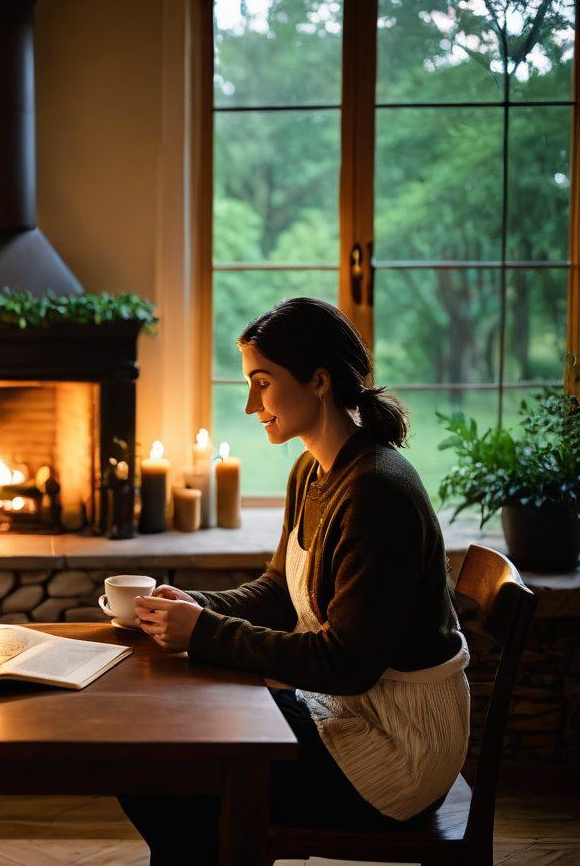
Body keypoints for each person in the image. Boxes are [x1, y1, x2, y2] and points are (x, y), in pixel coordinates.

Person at [124, 297, 469, 865]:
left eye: (262, 382)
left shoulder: (376, 493)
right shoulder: (312, 468)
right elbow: (280, 592)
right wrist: (192, 605)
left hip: (396, 748)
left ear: (318, 381)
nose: (251, 403)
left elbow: (347, 664)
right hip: (345, 709)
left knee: (168, 772)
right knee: (159, 752)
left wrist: (205, 632)